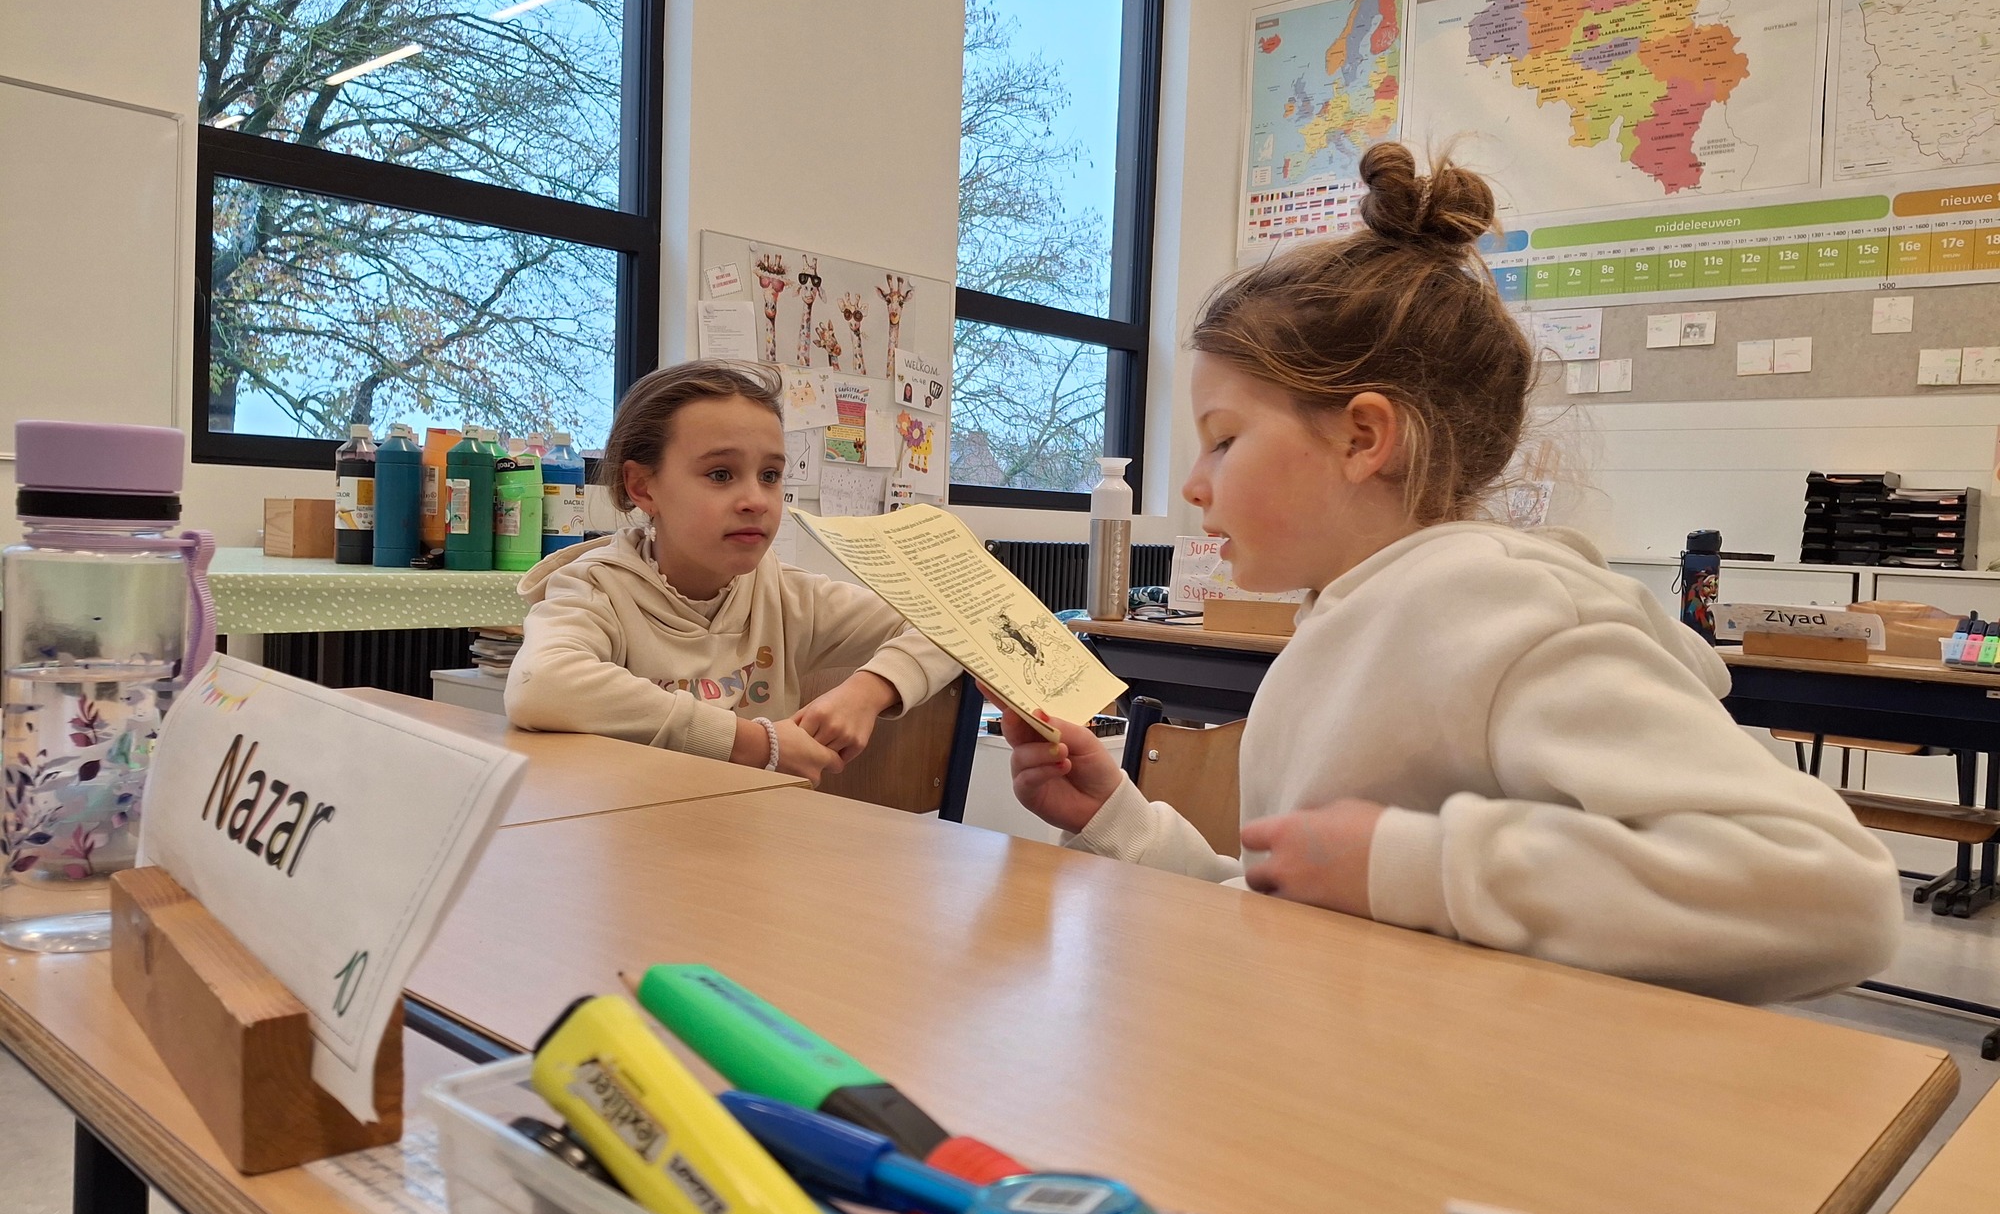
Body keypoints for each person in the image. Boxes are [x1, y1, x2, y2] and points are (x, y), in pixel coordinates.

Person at [1000, 143, 1902, 1005]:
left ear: (1363, 437)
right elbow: (1321, 912)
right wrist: (1125, 825)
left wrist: (1411, 864)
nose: (1195, 485)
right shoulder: (1353, 615)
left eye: (1225, 440)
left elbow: (1828, 894)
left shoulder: (1495, 607)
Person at [507, 361, 956, 784]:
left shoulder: (787, 596)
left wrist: (869, 689)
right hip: (629, 831)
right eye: (721, 474)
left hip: (756, 829)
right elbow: (541, 684)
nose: (756, 500)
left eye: (770, 475)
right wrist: (756, 744)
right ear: (642, 487)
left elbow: (959, 626)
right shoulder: (595, 589)